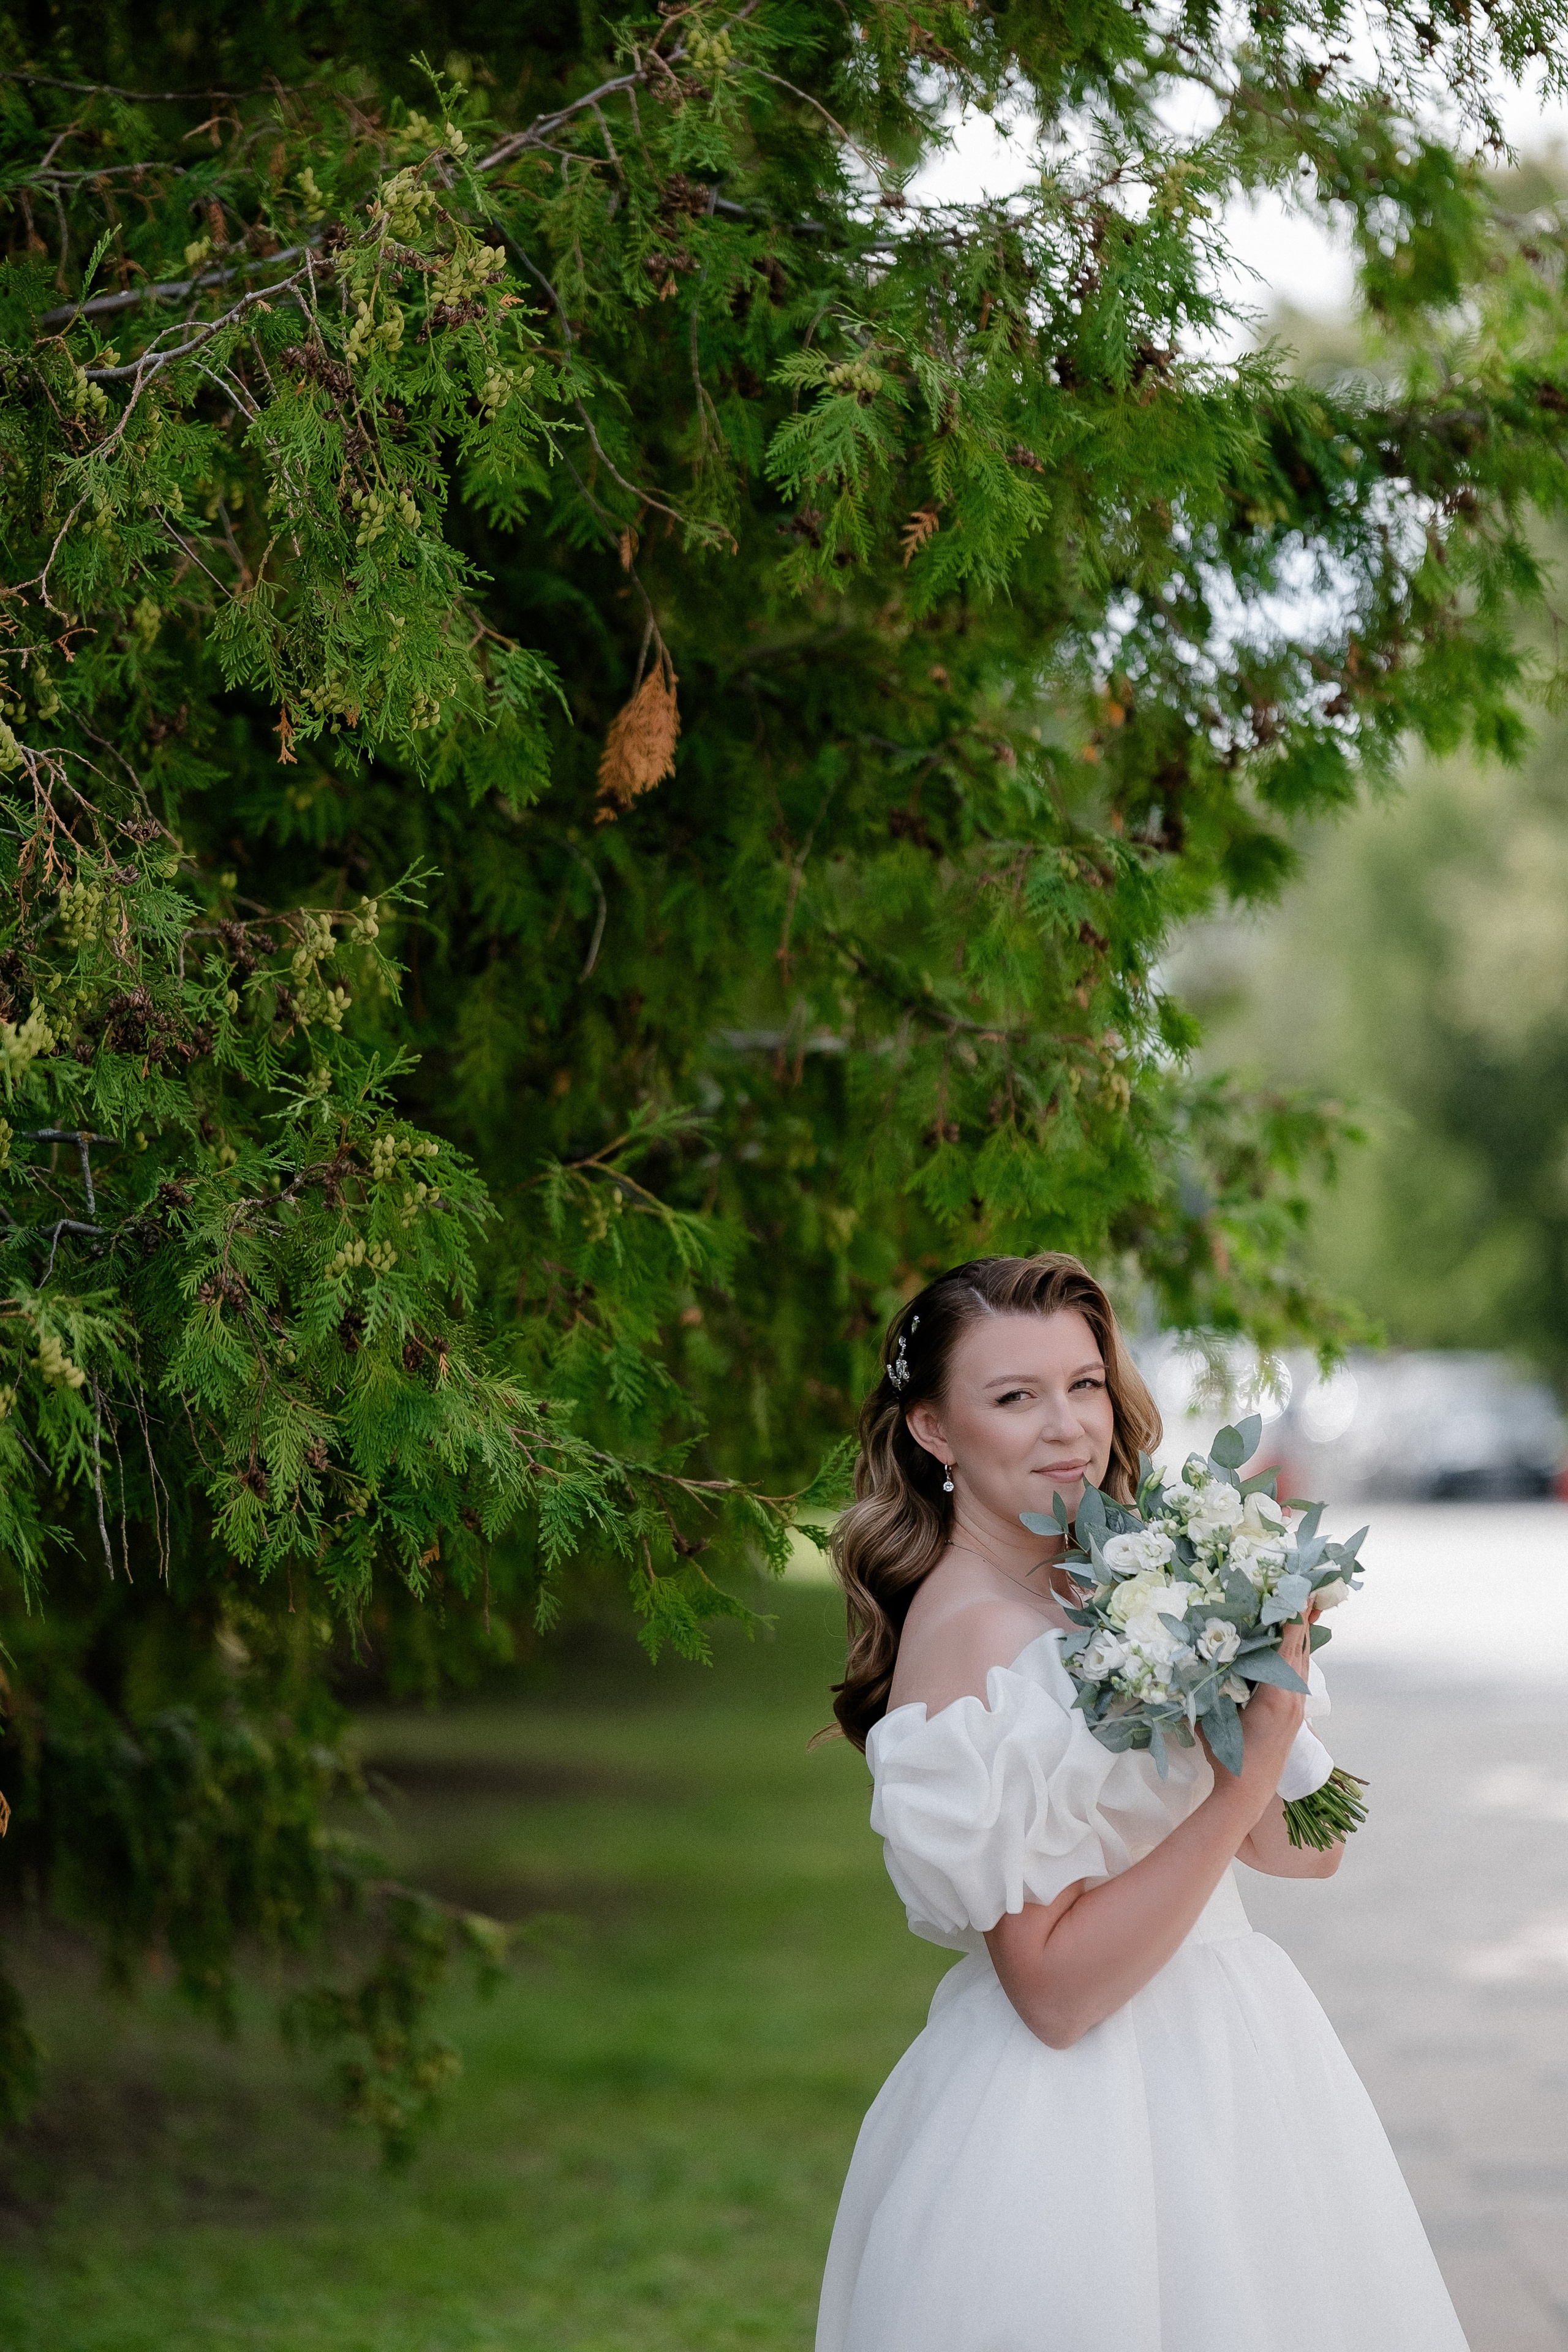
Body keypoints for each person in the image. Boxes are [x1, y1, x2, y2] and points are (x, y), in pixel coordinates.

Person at [815, 1252, 1468, 2352]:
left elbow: (1311, 1854)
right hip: (1077, 2122)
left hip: (1238, 2057)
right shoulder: (968, 1633)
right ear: (934, 1431)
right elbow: (1056, 1995)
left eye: (1083, 1385)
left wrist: (1262, 1668)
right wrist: (1246, 1773)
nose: (1069, 1428)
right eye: (1014, 1398)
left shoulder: (1123, 1580)